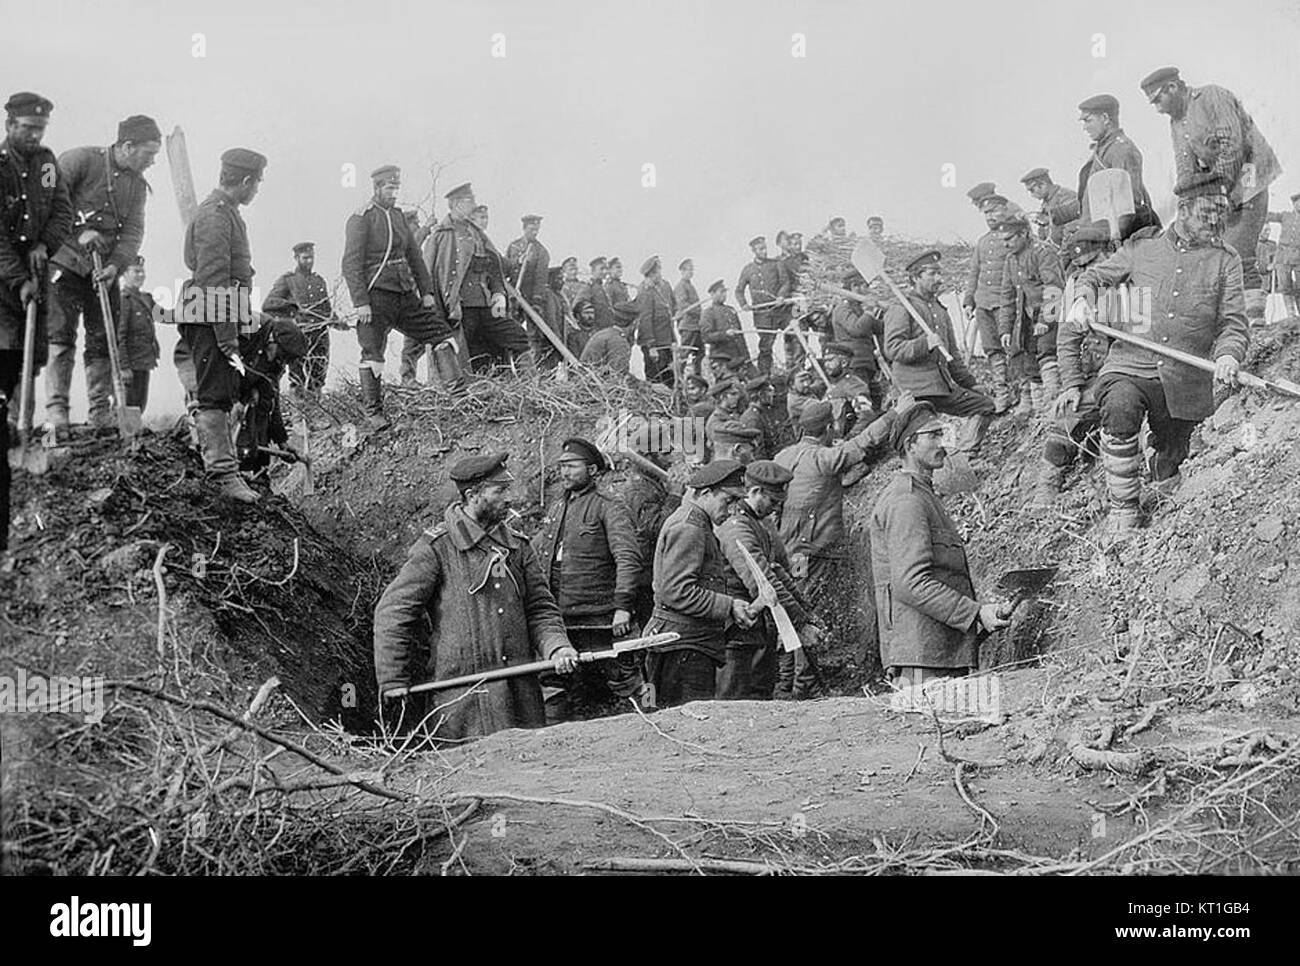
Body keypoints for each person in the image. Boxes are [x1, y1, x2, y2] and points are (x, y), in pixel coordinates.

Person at [1067, 171, 1249, 534]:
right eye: (1206, 212)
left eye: (1220, 212)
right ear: (1182, 209)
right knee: (1119, 407)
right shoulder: (1140, 250)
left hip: (1186, 378)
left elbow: (1234, 324)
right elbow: (1092, 278)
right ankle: (1124, 513)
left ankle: (1161, 491)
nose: (1215, 221)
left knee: (1173, 463)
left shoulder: (1227, 262)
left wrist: (1229, 355)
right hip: (1130, 365)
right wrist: (1081, 302)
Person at [373, 452, 578, 741]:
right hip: (462, 702)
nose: (510, 498)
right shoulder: (436, 548)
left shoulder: (518, 547)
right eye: (501, 491)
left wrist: (557, 647)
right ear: (473, 495)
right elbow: (393, 612)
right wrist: (393, 679)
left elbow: (540, 609)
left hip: (520, 696)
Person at [869, 403, 1010, 687]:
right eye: (933, 435)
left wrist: (981, 613)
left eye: (941, 434)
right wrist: (974, 613)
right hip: (922, 657)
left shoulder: (924, 495)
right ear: (910, 444)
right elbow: (910, 582)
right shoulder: (906, 501)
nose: (942, 443)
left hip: (938, 652)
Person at [775, 397, 907, 697]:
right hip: (811, 551)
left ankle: (793, 681)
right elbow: (864, 442)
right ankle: (802, 684)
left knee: (795, 609)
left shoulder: (784, 456)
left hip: (790, 548)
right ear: (828, 427)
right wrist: (895, 413)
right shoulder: (823, 459)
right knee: (804, 612)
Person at [47, 114, 160, 436]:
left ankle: (100, 412)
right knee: (61, 337)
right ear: (128, 145)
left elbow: (134, 231)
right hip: (65, 264)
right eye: (149, 154)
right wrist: (77, 232)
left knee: (100, 341)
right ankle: (57, 412)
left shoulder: (137, 186)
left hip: (104, 273)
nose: (152, 162)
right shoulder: (78, 160)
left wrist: (116, 267)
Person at [1141, 66, 1280, 321]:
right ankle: (1230, 318)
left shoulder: (1211, 96)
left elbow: (1233, 144)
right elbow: (1185, 169)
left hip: (1250, 177)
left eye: (1158, 99)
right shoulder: (1176, 123)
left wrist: (1219, 190)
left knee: (1237, 248)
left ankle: (1254, 317)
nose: (1158, 108)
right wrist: (1185, 207)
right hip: (1221, 190)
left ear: (1173, 87)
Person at [532, 437, 647, 721]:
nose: (565, 472)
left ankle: (651, 723)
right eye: (562, 467)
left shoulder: (610, 507)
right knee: (555, 685)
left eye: (572, 466)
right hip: (560, 621)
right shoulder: (557, 509)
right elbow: (538, 554)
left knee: (625, 681)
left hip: (600, 620)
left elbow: (628, 558)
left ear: (593, 471)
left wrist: (622, 607)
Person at [1, 91, 72, 552]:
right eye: (27, 128)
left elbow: (63, 211)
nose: (33, 135)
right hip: (3, 281)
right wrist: (15, 277)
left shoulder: (47, 163)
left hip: (35, 274)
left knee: (32, 360)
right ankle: (9, 429)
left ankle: (20, 428)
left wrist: (44, 244)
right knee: (6, 356)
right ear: (9, 125)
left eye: (39, 129)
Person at [178, 147, 268, 503]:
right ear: (245, 181)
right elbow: (214, 281)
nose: (257, 190)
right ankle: (222, 475)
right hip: (210, 318)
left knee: (220, 391)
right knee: (213, 394)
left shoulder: (226, 213)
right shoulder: (215, 216)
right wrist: (228, 337)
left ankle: (222, 466)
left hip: (215, 315)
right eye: (257, 183)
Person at [342, 165, 458, 426]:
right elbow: (350, 264)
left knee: (440, 333)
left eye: (396, 188)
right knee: (372, 354)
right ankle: (374, 413)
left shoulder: (397, 216)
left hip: (404, 294)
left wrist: (426, 291)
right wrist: (360, 302)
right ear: (377, 188)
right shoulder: (361, 218)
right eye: (389, 188)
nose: (394, 193)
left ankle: (458, 395)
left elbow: (414, 256)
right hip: (375, 297)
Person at [643, 459, 759, 706]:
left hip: (685, 643)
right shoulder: (690, 528)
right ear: (705, 493)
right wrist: (729, 606)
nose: (730, 511)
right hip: (683, 647)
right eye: (727, 501)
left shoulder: (695, 522)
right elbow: (676, 591)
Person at [716, 460, 822, 700]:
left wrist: (805, 614)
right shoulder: (737, 528)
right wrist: (800, 623)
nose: (775, 509)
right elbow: (762, 582)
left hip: (755, 627)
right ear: (755, 492)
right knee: (735, 701)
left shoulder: (756, 523)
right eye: (773, 502)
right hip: (737, 629)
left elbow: (777, 571)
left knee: (759, 696)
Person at [885, 250, 995, 456]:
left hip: (940, 388)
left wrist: (970, 384)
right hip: (914, 392)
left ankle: (964, 454)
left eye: (939, 273)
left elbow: (952, 354)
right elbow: (892, 348)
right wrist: (923, 344)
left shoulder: (940, 309)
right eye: (932, 274)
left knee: (984, 405)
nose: (939, 279)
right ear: (916, 277)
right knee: (929, 436)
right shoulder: (902, 306)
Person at [1038, 223, 1113, 506]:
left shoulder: (1130, 284)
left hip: (1131, 371)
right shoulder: (1076, 292)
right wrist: (1071, 385)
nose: (1086, 273)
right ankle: (1047, 489)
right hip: (1095, 376)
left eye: (1093, 262)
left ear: (1109, 254)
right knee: (1067, 413)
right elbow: (1066, 342)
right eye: (1080, 267)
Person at [428, 182, 530, 371]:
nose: (474, 204)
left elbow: (495, 267)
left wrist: (499, 293)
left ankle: (530, 386)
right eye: (470, 200)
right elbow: (429, 279)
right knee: (469, 358)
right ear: (456, 204)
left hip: (486, 306)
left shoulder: (477, 234)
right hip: (460, 310)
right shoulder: (441, 237)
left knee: (517, 335)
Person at [995, 208, 1065, 416]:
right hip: (1027, 319)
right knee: (1030, 361)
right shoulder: (1011, 259)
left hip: (1050, 316)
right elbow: (1007, 296)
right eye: (1002, 240)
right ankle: (1041, 413)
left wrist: (1045, 320)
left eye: (1009, 239)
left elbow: (1054, 289)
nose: (1005, 244)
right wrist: (1005, 329)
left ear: (1024, 233)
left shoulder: (1043, 252)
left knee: (1048, 356)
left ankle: (1056, 408)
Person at [233, 301, 308, 479]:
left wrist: (282, 441)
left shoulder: (274, 363)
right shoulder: (248, 325)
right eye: (281, 356)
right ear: (273, 340)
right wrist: (229, 398)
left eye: (285, 361)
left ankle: (258, 473)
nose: (281, 363)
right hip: (211, 377)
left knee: (261, 401)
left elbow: (272, 402)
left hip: (242, 385)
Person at [1075, 94, 1157, 241]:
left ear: (1105, 118)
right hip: (1096, 235)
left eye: (1088, 121)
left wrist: (1104, 239)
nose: (1085, 127)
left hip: (1111, 242)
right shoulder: (1103, 149)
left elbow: (1128, 209)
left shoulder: (1121, 150)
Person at [620, 438, 682, 629]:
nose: (670, 459)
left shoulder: (652, 482)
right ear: (647, 457)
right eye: (664, 454)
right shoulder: (639, 488)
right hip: (646, 571)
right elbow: (654, 527)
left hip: (656, 566)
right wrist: (674, 496)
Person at [961, 192, 1014, 412]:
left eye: (993, 211)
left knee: (1013, 347)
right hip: (984, 303)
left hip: (1005, 302)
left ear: (1004, 210)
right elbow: (975, 272)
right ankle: (1002, 394)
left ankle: (1022, 393)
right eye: (986, 213)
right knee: (992, 349)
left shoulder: (1013, 237)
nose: (990, 217)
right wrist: (968, 300)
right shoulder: (983, 241)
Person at [266, 241, 334, 397]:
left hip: (320, 334)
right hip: (299, 334)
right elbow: (269, 303)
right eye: (305, 258)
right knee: (298, 376)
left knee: (318, 375)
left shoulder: (319, 281)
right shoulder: (288, 280)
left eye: (311, 257)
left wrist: (336, 320)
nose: (309, 261)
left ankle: (316, 416)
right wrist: (294, 306)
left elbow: (326, 308)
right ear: (296, 258)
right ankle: (298, 418)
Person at [829, 273, 886, 410]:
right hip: (853, 365)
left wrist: (893, 315)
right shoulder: (842, 309)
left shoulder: (860, 309)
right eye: (857, 285)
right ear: (848, 288)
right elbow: (857, 329)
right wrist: (869, 311)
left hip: (867, 363)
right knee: (863, 404)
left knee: (875, 401)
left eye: (864, 285)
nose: (862, 289)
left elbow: (878, 327)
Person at [735, 236, 792, 373]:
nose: (764, 251)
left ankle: (793, 372)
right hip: (762, 315)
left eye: (765, 248)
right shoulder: (748, 270)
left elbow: (786, 282)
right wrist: (744, 304)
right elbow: (739, 290)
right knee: (766, 346)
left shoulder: (776, 264)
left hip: (781, 311)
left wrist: (781, 296)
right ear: (754, 251)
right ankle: (764, 377)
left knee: (792, 340)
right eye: (761, 249)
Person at [619, 255, 676, 384]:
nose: (659, 274)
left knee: (670, 380)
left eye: (660, 270)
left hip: (665, 343)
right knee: (656, 380)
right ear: (651, 274)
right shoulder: (645, 291)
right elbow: (645, 320)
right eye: (657, 272)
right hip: (655, 345)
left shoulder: (663, 287)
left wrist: (673, 341)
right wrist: (651, 347)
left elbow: (668, 319)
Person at [116, 255, 160, 412]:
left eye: (142, 272)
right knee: (129, 405)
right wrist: (124, 367)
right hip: (131, 363)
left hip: (144, 361)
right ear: (125, 274)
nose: (141, 275)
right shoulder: (124, 300)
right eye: (136, 271)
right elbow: (119, 336)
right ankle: (128, 435)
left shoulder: (146, 298)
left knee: (140, 403)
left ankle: (134, 434)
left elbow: (165, 315)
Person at [505, 214, 551, 361]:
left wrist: (537, 302)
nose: (535, 232)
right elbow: (506, 268)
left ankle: (533, 365)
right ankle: (509, 362)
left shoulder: (541, 252)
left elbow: (540, 280)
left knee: (533, 335)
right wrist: (518, 262)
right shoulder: (513, 246)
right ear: (524, 228)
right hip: (514, 294)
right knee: (510, 328)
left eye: (537, 230)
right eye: (532, 229)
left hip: (530, 298)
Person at [821, 341, 873, 439]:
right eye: (825, 361)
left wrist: (848, 439)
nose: (826, 365)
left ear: (844, 363)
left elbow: (866, 416)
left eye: (830, 360)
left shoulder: (854, 385)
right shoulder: (833, 386)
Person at [699, 279, 752, 375]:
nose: (724, 295)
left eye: (725, 292)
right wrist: (725, 334)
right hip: (722, 360)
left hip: (739, 358)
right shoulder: (708, 313)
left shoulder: (731, 310)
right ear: (712, 294)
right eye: (721, 292)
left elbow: (741, 338)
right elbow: (706, 337)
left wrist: (747, 358)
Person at [1019, 168, 1080, 247]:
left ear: (1043, 184)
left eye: (1032, 190)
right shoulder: (1045, 204)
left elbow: (1076, 224)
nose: (1031, 195)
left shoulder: (1065, 196)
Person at [738, 373, 782, 459]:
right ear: (760, 395)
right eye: (769, 391)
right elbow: (758, 452)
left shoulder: (762, 412)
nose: (772, 395)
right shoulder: (752, 418)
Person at [1265, 192, 1300, 296]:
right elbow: (1269, 216)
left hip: (1298, 257)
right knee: (1284, 289)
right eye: (1298, 202)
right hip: (1283, 257)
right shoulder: (1285, 215)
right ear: (1294, 204)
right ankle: (1289, 311)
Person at [674, 257, 702, 372]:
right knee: (685, 353)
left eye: (692, 270)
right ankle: (678, 379)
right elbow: (684, 305)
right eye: (688, 270)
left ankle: (697, 377)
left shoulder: (690, 285)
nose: (691, 272)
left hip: (695, 325)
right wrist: (700, 311)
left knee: (700, 353)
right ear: (682, 271)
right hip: (687, 325)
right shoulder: (681, 286)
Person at [586, 256, 616, 330]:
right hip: (596, 330)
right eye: (602, 269)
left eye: (606, 268)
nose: (605, 272)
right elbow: (578, 307)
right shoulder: (589, 288)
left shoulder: (602, 288)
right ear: (593, 271)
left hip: (607, 328)